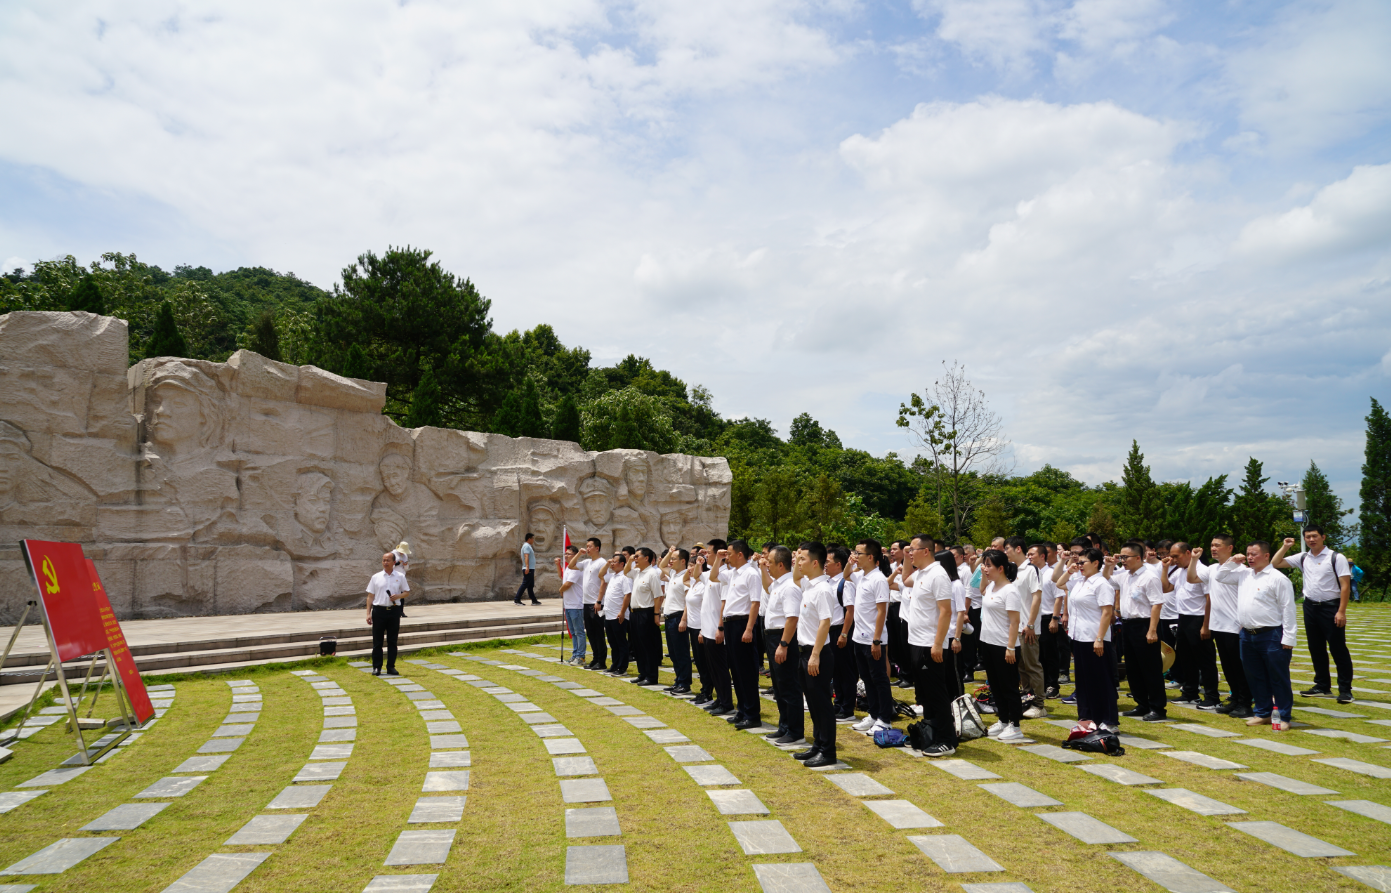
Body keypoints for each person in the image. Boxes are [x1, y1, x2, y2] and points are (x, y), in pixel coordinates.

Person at [1219, 541, 1296, 728]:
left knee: (1278, 677)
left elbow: (1288, 609)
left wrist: (1289, 637)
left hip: (1271, 634)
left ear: (1267, 555)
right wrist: (1232, 561)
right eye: (1248, 554)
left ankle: (1283, 717)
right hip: (1247, 634)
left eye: (1254, 554)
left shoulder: (1278, 578)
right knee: (1255, 676)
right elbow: (1220, 576)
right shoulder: (1244, 574)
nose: (1250, 558)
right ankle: (1263, 712)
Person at [1273, 527, 1354, 704]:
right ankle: (1322, 685)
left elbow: (1345, 586)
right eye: (1308, 537)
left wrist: (1341, 611)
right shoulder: (1303, 557)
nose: (1311, 539)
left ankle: (1345, 690)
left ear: (1323, 537)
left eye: (1314, 536)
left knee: (1338, 648)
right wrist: (1285, 547)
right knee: (1316, 648)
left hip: (1331, 607)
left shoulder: (1336, 557)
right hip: (1310, 606)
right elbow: (1275, 563)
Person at [1188, 536, 1253, 718]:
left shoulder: (1242, 570)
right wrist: (1194, 559)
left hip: (1235, 625)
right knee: (1227, 666)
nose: (1213, 548)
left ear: (1230, 547)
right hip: (1219, 625)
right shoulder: (1212, 569)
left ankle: (1245, 702)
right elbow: (1191, 578)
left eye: (1217, 545)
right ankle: (1235, 698)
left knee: (1239, 667)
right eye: (1212, 545)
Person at [906, 536, 959, 756]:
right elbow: (905, 580)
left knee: (937, 694)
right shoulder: (921, 573)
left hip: (930, 644)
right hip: (916, 642)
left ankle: (947, 740)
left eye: (913, 549)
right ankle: (931, 733)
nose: (909, 553)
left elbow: (946, 611)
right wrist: (907, 558)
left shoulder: (938, 575)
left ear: (926, 551)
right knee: (925, 695)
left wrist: (938, 643)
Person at [793, 541, 838, 767]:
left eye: (802, 559)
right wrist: (798, 556)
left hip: (816, 652)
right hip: (805, 652)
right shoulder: (809, 585)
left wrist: (815, 654)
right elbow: (795, 577)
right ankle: (818, 745)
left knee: (822, 704)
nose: (798, 563)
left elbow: (825, 623)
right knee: (812, 703)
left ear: (815, 563)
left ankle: (828, 751)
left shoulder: (822, 589)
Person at [1064, 547, 1119, 729]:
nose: (1079, 565)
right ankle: (1087, 718)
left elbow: (1107, 612)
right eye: (1078, 562)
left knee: (1101, 680)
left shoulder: (1101, 584)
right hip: (1079, 636)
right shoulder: (1080, 581)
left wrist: (1099, 638)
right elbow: (1059, 583)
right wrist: (1069, 570)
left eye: (1083, 562)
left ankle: (1109, 720)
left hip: (1094, 637)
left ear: (1096, 563)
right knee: (1083, 681)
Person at [712, 539, 763, 729]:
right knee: (736, 671)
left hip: (742, 623)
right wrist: (718, 559)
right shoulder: (733, 572)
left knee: (746, 671)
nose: (727, 557)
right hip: (731, 624)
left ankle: (752, 714)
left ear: (740, 554)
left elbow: (755, 603)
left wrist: (749, 629)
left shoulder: (751, 573)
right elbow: (713, 576)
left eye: (729, 554)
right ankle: (742, 710)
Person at [1163, 542, 1220, 709]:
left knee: (1205, 660)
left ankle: (1212, 697)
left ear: (1188, 553)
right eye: (1171, 556)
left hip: (1199, 618)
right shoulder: (1179, 571)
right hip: (1183, 618)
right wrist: (1165, 569)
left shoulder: (1202, 571)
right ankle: (1190, 692)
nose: (1174, 560)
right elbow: (1166, 588)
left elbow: (1209, 599)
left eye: (1176, 556)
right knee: (1186, 658)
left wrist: (1206, 625)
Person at [1114, 541, 1167, 721]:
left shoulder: (1149, 577)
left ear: (1138, 558)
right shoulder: (1124, 576)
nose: (1123, 560)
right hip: (1128, 624)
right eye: (1121, 557)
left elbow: (1156, 604)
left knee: (1150, 668)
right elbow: (1107, 580)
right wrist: (1109, 564)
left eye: (1125, 557)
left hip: (1144, 624)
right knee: (1133, 667)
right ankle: (1141, 704)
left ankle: (1157, 707)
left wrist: (1152, 630)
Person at [849, 539, 896, 734]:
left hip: (873, 639)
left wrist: (876, 640)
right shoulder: (862, 576)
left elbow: (882, 611)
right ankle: (874, 714)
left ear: (870, 557)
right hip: (859, 638)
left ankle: (885, 718)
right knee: (867, 679)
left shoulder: (878, 579)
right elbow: (846, 575)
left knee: (879, 679)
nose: (855, 556)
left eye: (858, 553)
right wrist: (850, 563)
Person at [977, 549, 1025, 741]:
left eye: (989, 566)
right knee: (995, 686)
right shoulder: (991, 586)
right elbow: (981, 590)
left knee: (1009, 687)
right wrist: (983, 574)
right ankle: (1003, 720)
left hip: (1004, 645)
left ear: (1001, 568)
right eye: (984, 565)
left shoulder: (1010, 590)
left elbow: (1014, 622)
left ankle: (1015, 725)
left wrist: (1010, 647)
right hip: (988, 643)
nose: (985, 569)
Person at [764, 545, 805, 744]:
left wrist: (783, 644)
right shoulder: (778, 585)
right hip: (772, 637)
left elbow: (792, 618)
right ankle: (784, 726)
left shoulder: (789, 587)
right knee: (779, 686)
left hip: (782, 638)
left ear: (781, 565)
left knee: (788, 685)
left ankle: (795, 731)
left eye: (770, 562)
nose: (767, 565)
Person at [1004, 537, 1046, 717]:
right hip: (1015, 627)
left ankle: (1039, 704)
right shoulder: (1011, 570)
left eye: (1007, 548)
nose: (1005, 552)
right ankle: (1027, 697)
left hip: (1028, 627)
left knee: (1032, 665)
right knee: (1021, 666)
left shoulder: (1031, 570)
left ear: (1018, 549)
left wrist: (1030, 624)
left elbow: (1037, 597)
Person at [697, 540, 735, 718]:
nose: (706, 556)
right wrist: (700, 562)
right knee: (712, 668)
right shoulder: (711, 574)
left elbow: (724, 603)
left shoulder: (725, 575)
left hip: (715, 629)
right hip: (707, 629)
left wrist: (720, 627)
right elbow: (697, 575)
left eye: (709, 553)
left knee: (720, 669)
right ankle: (719, 699)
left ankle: (726, 703)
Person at [826, 544, 859, 721]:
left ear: (838, 564)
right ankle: (838, 703)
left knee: (846, 671)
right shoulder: (828, 582)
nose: (825, 564)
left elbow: (850, 611)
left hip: (841, 630)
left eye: (828, 562)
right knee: (835, 670)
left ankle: (847, 708)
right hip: (830, 630)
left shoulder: (845, 583)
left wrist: (844, 634)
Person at [365, 551, 408, 676]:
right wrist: (368, 613)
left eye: (388, 560)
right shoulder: (376, 577)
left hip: (394, 611)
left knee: (392, 641)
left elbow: (406, 592)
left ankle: (391, 667)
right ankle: (376, 667)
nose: (385, 562)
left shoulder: (400, 576)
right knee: (377, 641)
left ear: (394, 562)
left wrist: (398, 596)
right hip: (379, 611)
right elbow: (370, 596)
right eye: (384, 560)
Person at [570, 538, 609, 670]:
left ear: (597, 548)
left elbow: (603, 582)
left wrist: (599, 601)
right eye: (586, 546)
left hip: (597, 603)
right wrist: (578, 554)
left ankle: (601, 661)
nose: (587, 549)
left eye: (590, 546)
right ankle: (595, 658)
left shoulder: (602, 562)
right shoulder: (586, 562)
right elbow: (571, 565)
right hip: (586, 603)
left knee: (598, 633)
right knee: (591, 633)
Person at [628, 547, 664, 685]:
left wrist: (656, 614)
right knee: (637, 645)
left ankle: (651, 676)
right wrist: (630, 560)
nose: (635, 558)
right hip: (634, 613)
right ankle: (642, 673)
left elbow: (658, 596)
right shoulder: (637, 572)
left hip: (646, 613)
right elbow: (625, 572)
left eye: (638, 556)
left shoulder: (652, 574)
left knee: (648, 645)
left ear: (647, 558)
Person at [659, 547, 693, 695]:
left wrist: (684, 620)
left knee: (681, 652)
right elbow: (662, 565)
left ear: (683, 561)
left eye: (674, 558)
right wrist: (669, 552)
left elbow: (688, 601)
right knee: (673, 652)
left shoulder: (686, 576)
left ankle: (685, 683)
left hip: (678, 617)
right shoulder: (673, 574)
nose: (670, 561)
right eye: (671, 558)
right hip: (669, 618)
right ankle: (678, 680)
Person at [682, 546, 714, 704]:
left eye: (692, 565)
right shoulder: (693, 584)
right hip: (692, 627)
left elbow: (706, 608)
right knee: (699, 663)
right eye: (688, 565)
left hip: (701, 629)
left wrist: (702, 630)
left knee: (705, 663)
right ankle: (704, 690)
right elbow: (684, 580)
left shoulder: (704, 584)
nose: (689, 569)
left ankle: (708, 692)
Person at [600, 552, 632, 676]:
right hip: (609, 614)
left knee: (621, 642)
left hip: (618, 615)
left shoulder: (625, 577)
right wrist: (607, 563)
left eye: (614, 562)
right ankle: (615, 665)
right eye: (612, 562)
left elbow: (627, 595)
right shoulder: (613, 576)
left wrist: (622, 612)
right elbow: (601, 575)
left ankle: (622, 667)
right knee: (613, 643)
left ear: (622, 564)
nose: (612, 564)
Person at [557, 545, 586, 664]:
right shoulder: (568, 568)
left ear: (575, 555)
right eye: (566, 554)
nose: (566, 556)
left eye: (569, 554)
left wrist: (560, 590)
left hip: (576, 605)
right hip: (568, 605)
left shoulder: (576, 568)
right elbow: (562, 577)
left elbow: (568, 584)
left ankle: (581, 656)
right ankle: (575, 654)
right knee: (573, 632)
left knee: (579, 632)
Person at [516, 532, 541, 605]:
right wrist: (527, 567)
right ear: (529, 539)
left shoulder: (526, 546)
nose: (533, 540)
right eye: (532, 538)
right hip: (528, 568)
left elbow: (522, 558)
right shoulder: (527, 546)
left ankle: (534, 600)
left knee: (530, 585)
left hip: (530, 568)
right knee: (525, 584)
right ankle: (517, 599)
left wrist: (525, 565)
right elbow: (526, 556)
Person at [392, 541, 412, 617]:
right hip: (394, 576)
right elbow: (389, 566)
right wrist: (397, 563)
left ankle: (401, 611)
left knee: (402, 594)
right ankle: (394, 611)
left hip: (402, 576)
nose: (403, 553)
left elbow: (406, 568)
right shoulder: (393, 554)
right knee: (394, 593)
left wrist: (405, 565)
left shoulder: (405, 555)